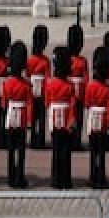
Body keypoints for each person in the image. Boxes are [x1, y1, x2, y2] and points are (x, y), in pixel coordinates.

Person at [84, 46, 109, 189]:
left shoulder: (90, 86)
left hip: (93, 120)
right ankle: (100, 178)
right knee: (101, 153)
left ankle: (93, 176)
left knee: (93, 150)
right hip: (103, 122)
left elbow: (86, 104)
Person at [1, 41, 32, 189]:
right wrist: (29, 122)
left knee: (11, 148)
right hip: (22, 116)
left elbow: (4, 102)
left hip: (10, 115)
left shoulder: (7, 83)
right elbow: (30, 104)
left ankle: (11, 176)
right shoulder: (26, 85)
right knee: (20, 149)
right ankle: (19, 177)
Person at [46, 47, 77, 190]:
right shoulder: (69, 86)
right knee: (65, 151)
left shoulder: (50, 84)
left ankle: (55, 179)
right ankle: (65, 179)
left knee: (56, 149)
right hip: (65, 119)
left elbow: (47, 102)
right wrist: (71, 122)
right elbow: (72, 105)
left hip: (54, 118)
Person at [28, 26, 50, 150]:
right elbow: (47, 77)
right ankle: (40, 139)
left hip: (32, 88)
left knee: (33, 115)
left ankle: (33, 139)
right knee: (40, 117)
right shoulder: (45, 61)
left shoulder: (30, 60)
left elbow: (27, 74)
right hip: (41, 89)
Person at [67, 25, 88, 152]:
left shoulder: (69, 59)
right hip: (77, 91)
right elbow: (86, 79)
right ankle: (75, 140)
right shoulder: (82, 61)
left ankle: (73, 140)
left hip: (70, 90)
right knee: (76, 117)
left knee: (75, 117)